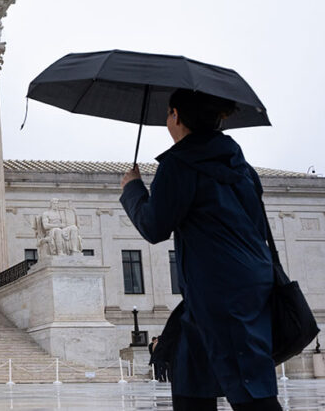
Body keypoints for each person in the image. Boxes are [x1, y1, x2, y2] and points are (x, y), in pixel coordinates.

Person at [120, 89, 280, 411]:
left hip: (217, 295)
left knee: (250, 393)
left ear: (177, 116)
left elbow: (154, 227)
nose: (167, 121)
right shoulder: (244, 169)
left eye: (168, 113)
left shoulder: (180, 164)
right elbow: (258, 228)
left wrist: (133, 189)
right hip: (247, 287)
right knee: (193, 381)